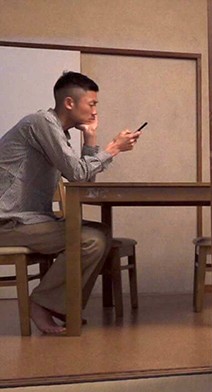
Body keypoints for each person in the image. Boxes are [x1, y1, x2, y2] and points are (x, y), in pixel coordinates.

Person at [0, 71, 141, 335]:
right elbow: (78, 174)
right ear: (69, 103)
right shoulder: (41, 123)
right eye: (92, 103)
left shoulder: (58, 132)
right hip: (8, 222)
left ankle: (63, 306)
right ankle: (41, 304)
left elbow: (84, 184)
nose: (95, 110)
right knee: (91, 239)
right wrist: (113, 148)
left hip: (28, 220)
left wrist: (90, 138)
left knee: (101, 232)